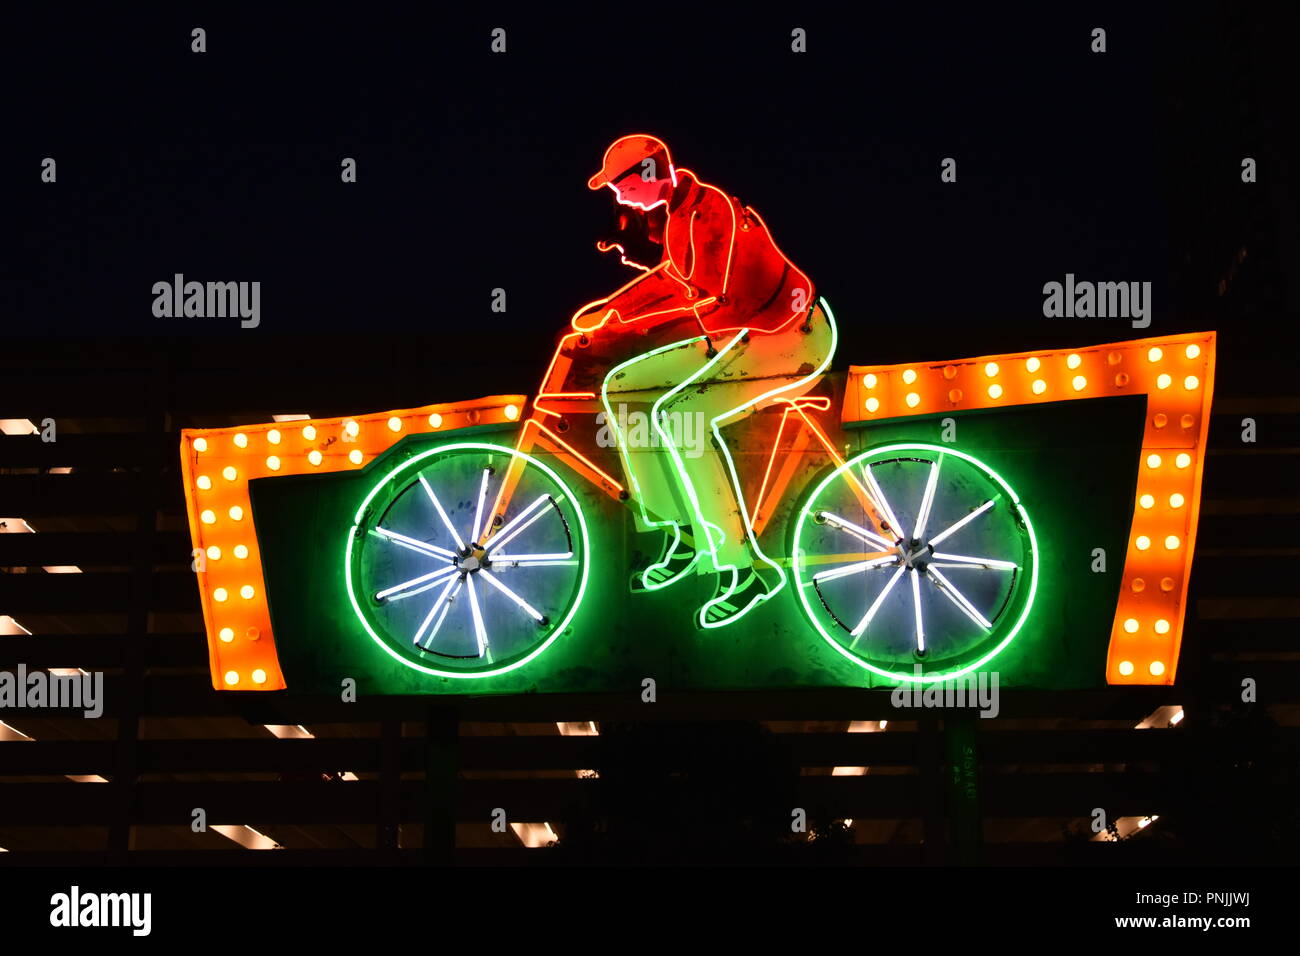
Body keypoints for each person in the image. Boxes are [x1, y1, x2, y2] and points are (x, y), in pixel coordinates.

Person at [569, 134, 835, 628]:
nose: (619, 197)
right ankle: (684, 530)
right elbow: (673, 277)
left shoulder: (712, 212)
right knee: (625, 389)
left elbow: (710, 298)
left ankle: (743, 568)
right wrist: (613, 309)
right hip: (740, 333)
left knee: (681, 415)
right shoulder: (676, 219)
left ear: (649, 173)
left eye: (622, 185)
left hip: (790, 337)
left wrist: (627, 324)